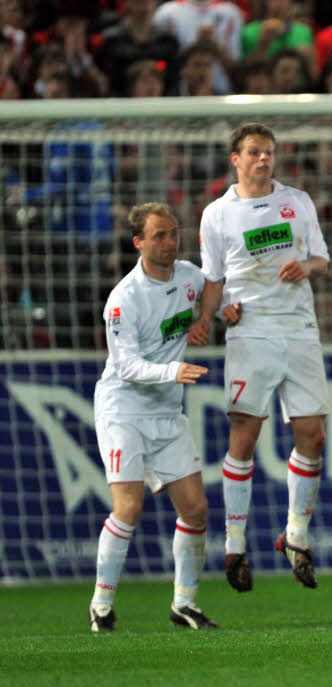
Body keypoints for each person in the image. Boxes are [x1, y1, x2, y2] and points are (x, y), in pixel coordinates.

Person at [188, 122, 330, 592]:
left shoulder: (298, 201)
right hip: (250, 331)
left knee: (314, 435)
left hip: (299, 328)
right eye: (254, 152)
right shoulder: (217, 214)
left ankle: (296, 536)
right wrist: (210, 314)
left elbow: (321, 259)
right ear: (236, 158)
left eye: (268, 152)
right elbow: (213, 277)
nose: (263, 159)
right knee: (244, 436)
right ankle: (234, 546)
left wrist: (305, 265)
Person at [90, 202, 223, 632]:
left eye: (172, 234)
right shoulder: (124, 299)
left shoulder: (188, 275)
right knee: (128, 507)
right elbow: (125, 365)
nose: (169, 243)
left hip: (166, 410)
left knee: (196, 509)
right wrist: (173, 370)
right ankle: (102, 605)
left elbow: (216, 289)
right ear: (139, 243)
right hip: (124, 408)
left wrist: (211, 315)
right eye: (159, 236)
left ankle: (184, 603)